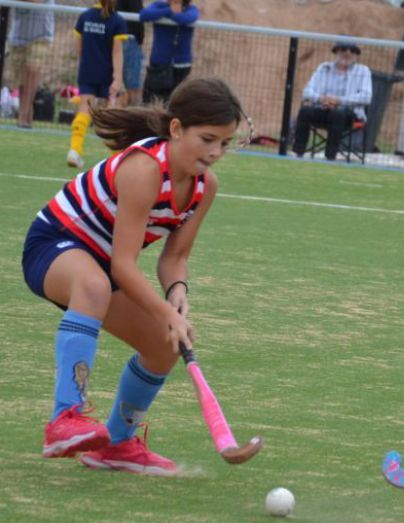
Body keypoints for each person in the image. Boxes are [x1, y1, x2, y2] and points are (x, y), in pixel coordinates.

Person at [22, 77, 245, 475]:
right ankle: (64, 418)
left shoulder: (203, 186)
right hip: (54, 245)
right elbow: (123, 266)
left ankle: (117, 444)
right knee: (94, 286)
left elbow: (174, 258)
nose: (215, 152)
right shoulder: (143, 169)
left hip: (102, 265)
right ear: (177, 129)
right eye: (208, 139)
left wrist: (177, 296)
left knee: (165, 344)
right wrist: (165, 311)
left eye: (224, 144)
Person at [68, 0, 127, 169]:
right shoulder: (117, 20)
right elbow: (117, 52)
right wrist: (117, 77)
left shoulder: (85, 17)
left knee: (84, 110)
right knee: (110, 114)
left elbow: (78, 48)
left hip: (87, 71)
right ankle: (116, 157)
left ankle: (75, 150)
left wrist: (86, 63)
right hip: (107, 73)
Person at [291, 41, 372, 161]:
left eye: (352, 50)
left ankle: (330, 156)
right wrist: (321, 99)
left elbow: (366, 97)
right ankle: (297, 153)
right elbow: (307, 92)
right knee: (305, 110)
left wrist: (339, 101)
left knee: (337, 113)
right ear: (336, 51)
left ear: (357, 55)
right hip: (323, 110)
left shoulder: (363, 71)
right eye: (344, 49)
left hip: (350, 116)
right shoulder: (323, 68)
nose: (348, 53)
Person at [7, 0, 55, 129]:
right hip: (18, 36)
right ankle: (27, 115)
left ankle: (23, 115)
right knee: (23, 80)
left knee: (32, 70)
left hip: (41, 34)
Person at [140, 0, 199, 104]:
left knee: (176, 103)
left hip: (181, 66)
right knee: (149, 101)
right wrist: (169, 10)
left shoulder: (191, 9)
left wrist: (166, 14)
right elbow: (144, 15)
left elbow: (187, 19)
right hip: (159, 65)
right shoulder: (159, 5)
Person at [116, 0, 146, 107]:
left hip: (115, 37)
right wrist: (140, 39)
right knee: (133, 86)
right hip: (130, 39)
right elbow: (138, 16)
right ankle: (130, 114)